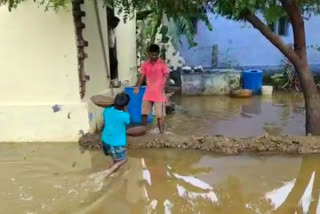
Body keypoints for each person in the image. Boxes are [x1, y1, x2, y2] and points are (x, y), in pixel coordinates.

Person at [134, 44, 169, 134]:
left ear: (158, 53)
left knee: (160, 115)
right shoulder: (145, 64)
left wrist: (164, 88)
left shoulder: (162, 63)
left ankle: (161, 133)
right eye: (152, 55)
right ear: (149, 54)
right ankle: (143, 132)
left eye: (155, 54)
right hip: (148, 93)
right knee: (144, 113)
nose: (153, 56)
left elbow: (167, 76)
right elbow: (142, 76)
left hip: (159, 93)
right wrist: (137, 87)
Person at [101, 92, 130, 172]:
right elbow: (127, 122)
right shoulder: (125, 115)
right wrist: (126, 111)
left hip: (105, 141)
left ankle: (113, 173)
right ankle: (108, 172)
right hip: (117, 143)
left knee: (114, 159)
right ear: (125, 105)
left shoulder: (106, 110)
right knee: (123, 160)